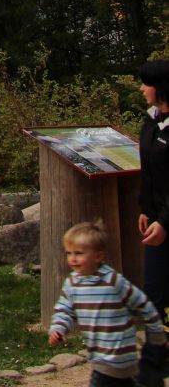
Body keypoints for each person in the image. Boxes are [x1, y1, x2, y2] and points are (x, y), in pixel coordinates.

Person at [48, 221, 165, 386]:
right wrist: (58, 328)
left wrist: (155, 331)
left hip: (119, 354)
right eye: (69, 253)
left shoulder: (113, 281)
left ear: (98, 256)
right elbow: (65, 310)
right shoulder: (72, 284)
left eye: (79, 253)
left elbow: (142, 303)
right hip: (100, 355)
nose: (72, 258)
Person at [137, 59, 169, 385]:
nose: (141, 89)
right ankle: (154, 366)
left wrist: (166, 222)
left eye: (146, 83)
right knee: (154, 293)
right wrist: (145, 209)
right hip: (156, 221)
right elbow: (148, 170)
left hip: (167, 222)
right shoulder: (151, 120)